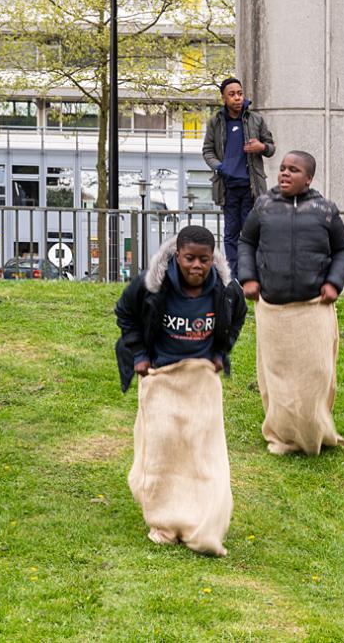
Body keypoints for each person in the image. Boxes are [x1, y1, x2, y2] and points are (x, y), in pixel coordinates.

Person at [114, 225, 246, 556]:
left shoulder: (227, 289)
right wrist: (140, 356)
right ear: (178, 256)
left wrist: (221, 352)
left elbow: (237, 317)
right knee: (162, 449)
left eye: (203, 259)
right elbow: (125, 314)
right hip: (162, 375)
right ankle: (163, 521)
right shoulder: (151, 284)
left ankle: (200, 517)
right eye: (189, 259)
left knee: (202, 453)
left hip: (200, 379)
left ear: (212, 258)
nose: (196, 267)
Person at [237, 150, 344, 455]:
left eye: (294, 170)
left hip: (313, 309)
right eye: (283, 168)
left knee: (318, 373)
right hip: (272, 310)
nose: (285, 173)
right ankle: (284, 436)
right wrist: (247, 277)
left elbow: (342, 250)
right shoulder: (263, 206)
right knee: (276, 376)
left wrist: (333, 283)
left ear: (309, 178)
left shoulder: (325, 210)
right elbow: (246, 242)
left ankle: (316, 432)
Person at [202, 77, 275, 277]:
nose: (237, 98)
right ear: (224, 98)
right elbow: (207, 151)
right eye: (232, 94)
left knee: (252, 233)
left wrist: (261, 147)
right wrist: (219, 167)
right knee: (231, 235)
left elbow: (271, 147)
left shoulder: (256, 120)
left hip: (252, 187)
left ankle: (253, 276)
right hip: (228, 188)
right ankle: (234, 277)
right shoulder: (215, 122)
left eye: (239, 93)